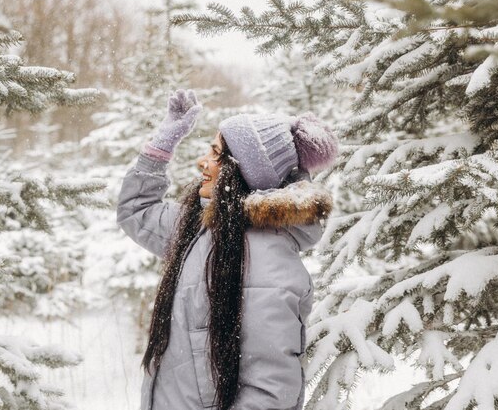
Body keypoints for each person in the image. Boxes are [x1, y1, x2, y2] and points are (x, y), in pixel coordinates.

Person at [117, 89, 338, 410]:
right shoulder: (202, 226)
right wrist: (162, 144)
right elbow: (136, 212)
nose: (202, 162)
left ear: (242, 171)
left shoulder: (266, 259)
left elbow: (270, 391)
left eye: (215, 153)